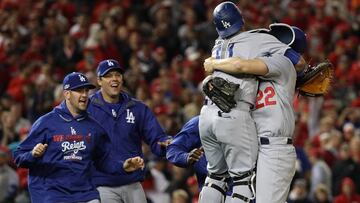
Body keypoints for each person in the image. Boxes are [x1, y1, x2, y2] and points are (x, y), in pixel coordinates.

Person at [199, 2, 302, 203]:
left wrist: (213, 64)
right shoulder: (259, 65)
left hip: (275, 147)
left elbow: (241, 63)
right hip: (252, 138)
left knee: (224, 180)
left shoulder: (280, 63)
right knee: (238, 184)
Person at [13, 72, 144, 203]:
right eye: (79, 91)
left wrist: (123, 166)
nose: (85, 95)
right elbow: (19, 156)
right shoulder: (46, 123)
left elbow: (103, 160)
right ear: (67, 94)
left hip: (84, 194)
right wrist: (33, 154)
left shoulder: (94, 127)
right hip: (51, 194)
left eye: (86, 91)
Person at [87, 59, 172, 203]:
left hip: (132, 183)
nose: (114, 79)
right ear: (99, 81)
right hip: (102, 185)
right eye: (108, 75)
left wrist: (166, 143)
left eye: (117, 75)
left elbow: (156, 137)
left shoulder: (136, 107)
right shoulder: (88, 108)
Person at [166, 116, 233, 202]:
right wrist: (186, 157)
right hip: (212, 190)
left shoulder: (247, 118)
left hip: (246, 189)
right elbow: (173, 150)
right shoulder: (201, 122)